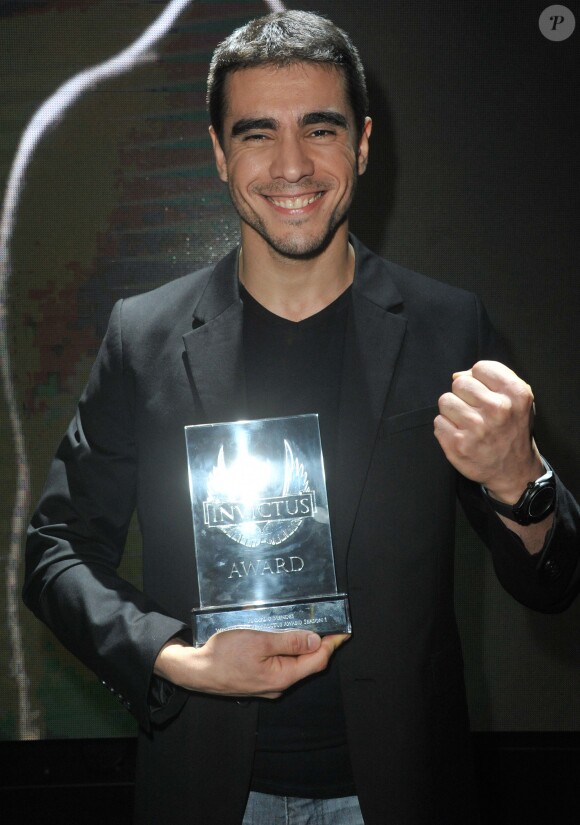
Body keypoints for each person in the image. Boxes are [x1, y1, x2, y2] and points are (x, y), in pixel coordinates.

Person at [24, 10, 579, 825]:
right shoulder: (142, 336)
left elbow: (554, 581)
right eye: (257, 133)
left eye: (320, 129)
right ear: (219, 153)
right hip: (207, 789)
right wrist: (179, 658)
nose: (292, 165)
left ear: (361, 143)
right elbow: (55, 552)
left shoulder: (447, 327)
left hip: (404, 789)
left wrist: (517, 480)